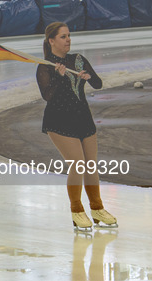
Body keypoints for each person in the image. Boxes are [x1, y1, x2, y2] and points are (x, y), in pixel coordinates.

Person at [36, 22, 118, 231]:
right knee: (78, 165)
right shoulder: (44, 66)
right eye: (63, 37)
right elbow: (47, 96)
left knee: (91, 165)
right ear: (51, 41)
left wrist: (89, 77)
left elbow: (98, 84)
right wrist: (60, 77)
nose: (68, 40)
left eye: (69, 36)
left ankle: (97, 208)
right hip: (59, 120)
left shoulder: (78, 60)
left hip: (83, 117)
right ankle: (76, 210)